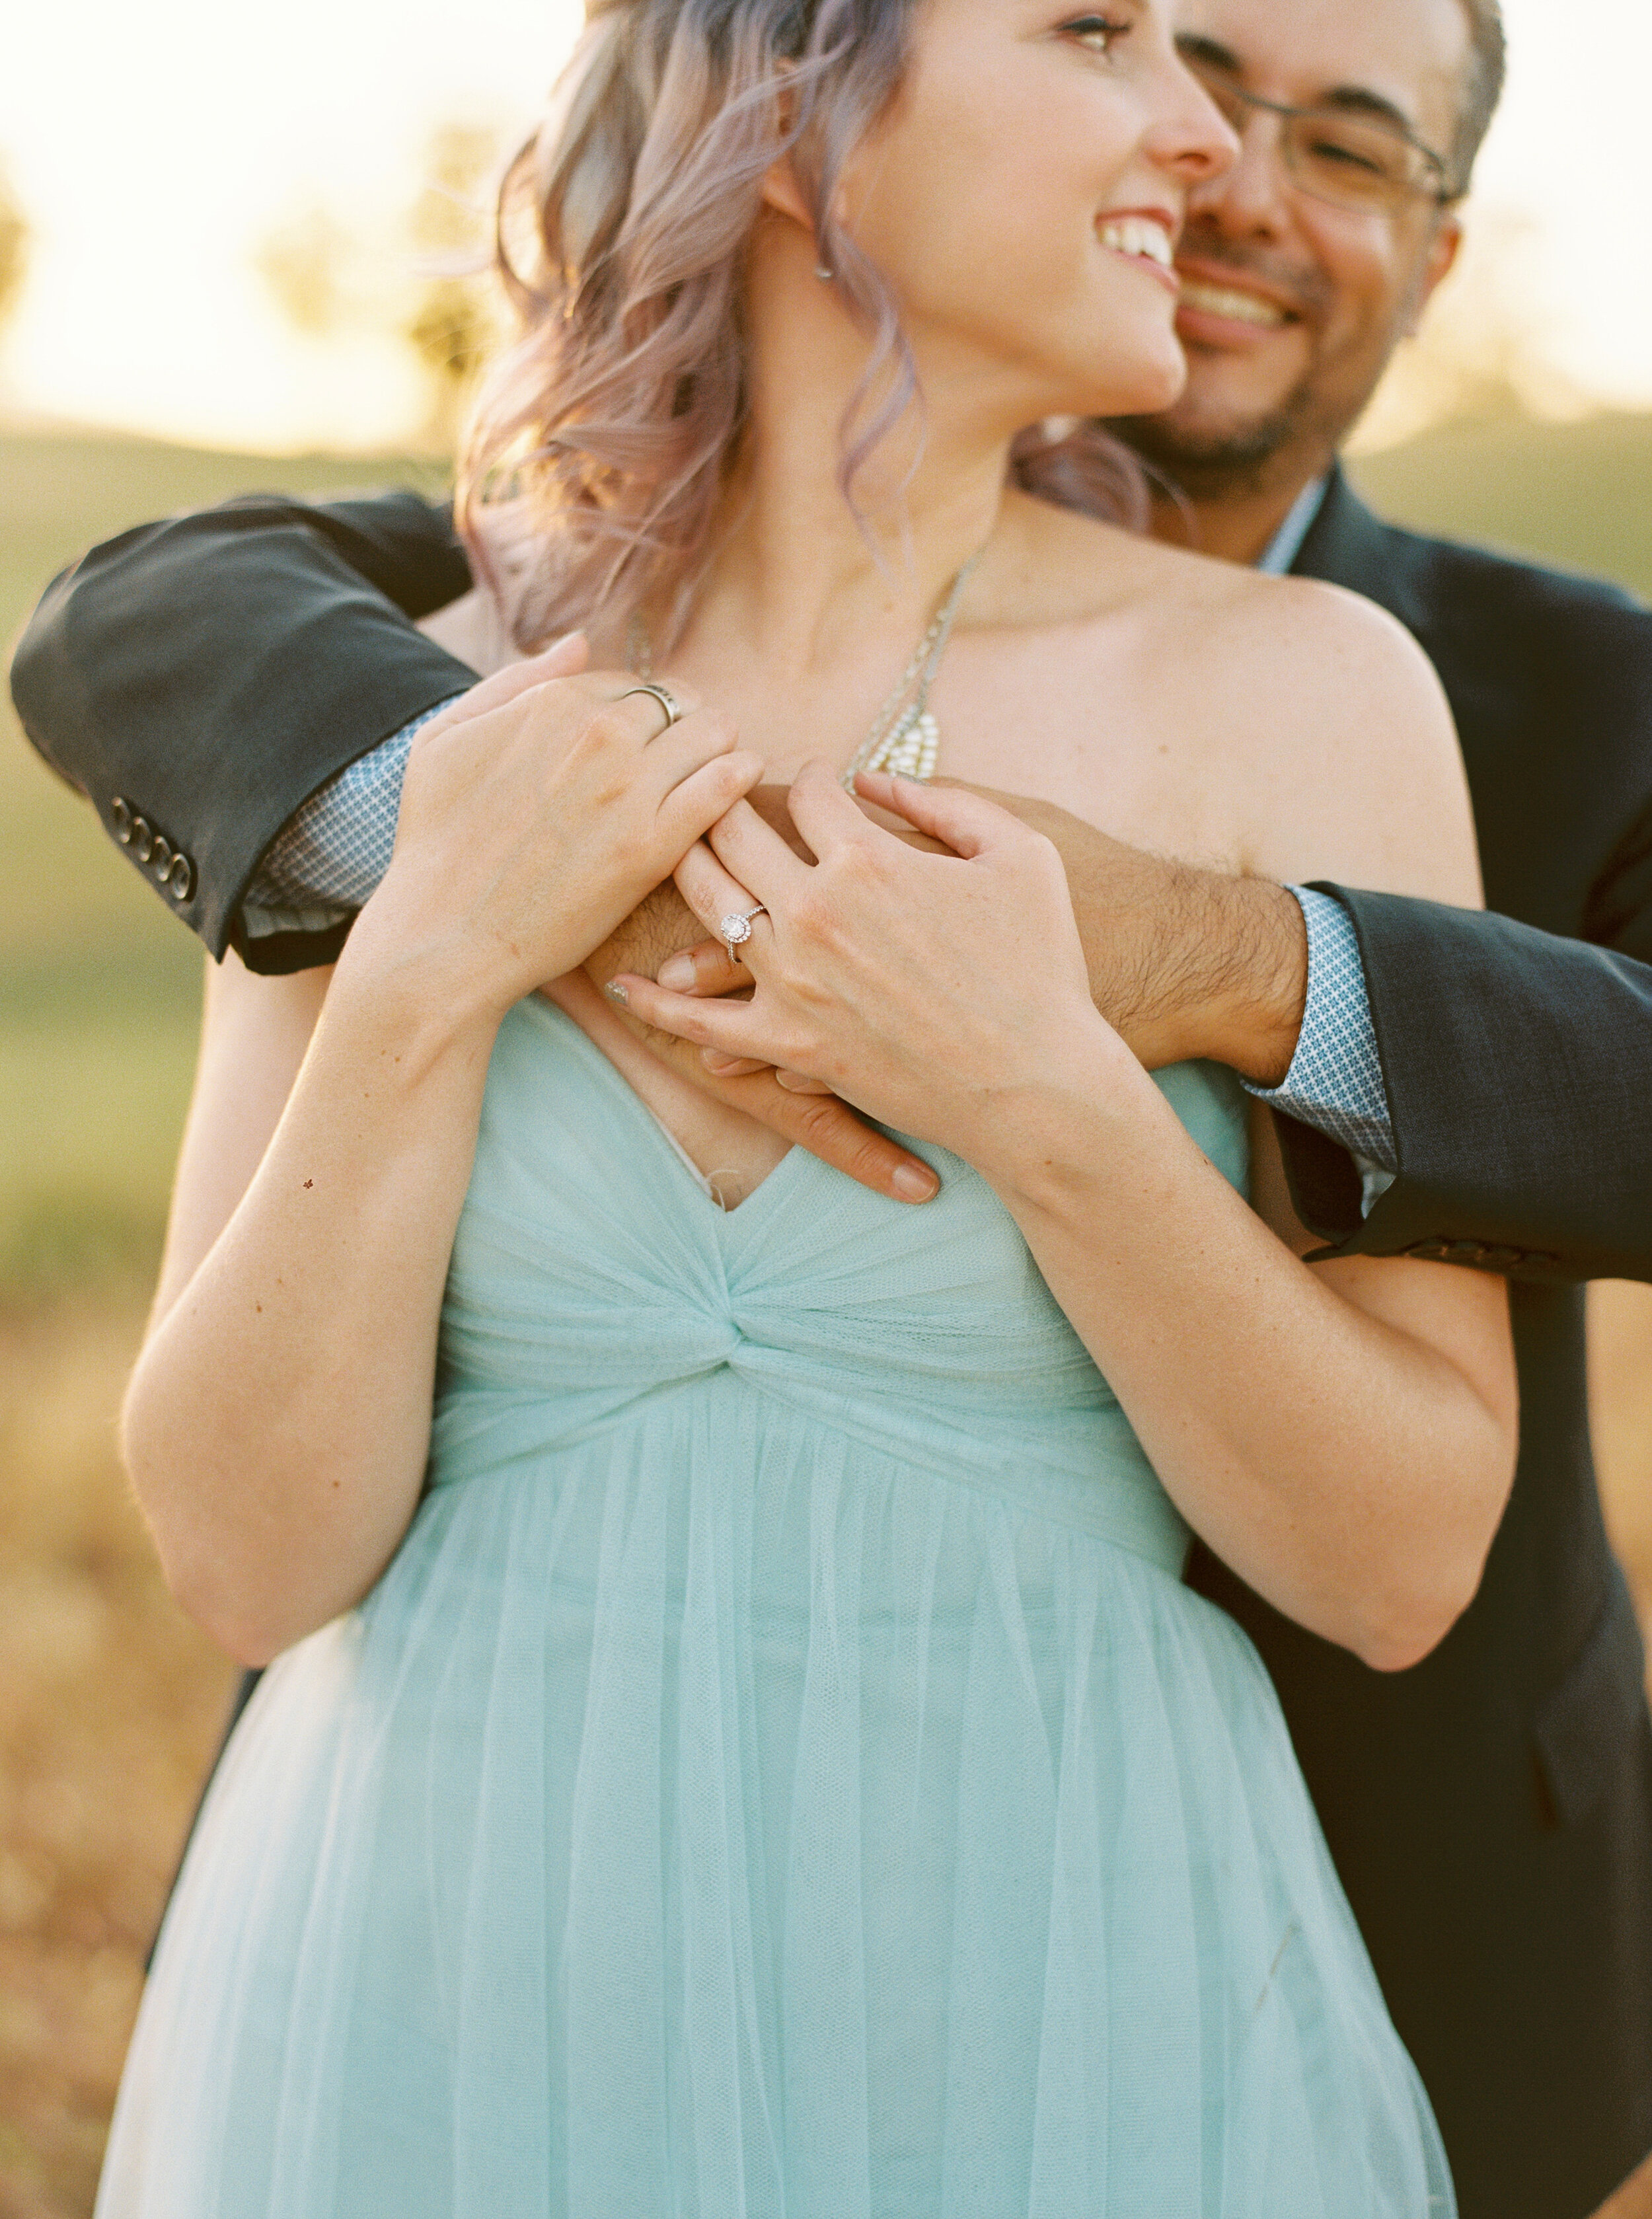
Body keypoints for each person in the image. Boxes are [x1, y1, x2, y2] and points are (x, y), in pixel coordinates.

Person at [11, 2, 1651, 2216]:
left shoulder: (1316, 694)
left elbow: (1390, 1567)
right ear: (788, 122)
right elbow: (239, 1554)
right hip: (430, 1990)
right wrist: (426, 960)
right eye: (1099, 33)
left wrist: (1043, 1090)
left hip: (1070, 1998)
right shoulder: (411, 706)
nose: (1201, 141)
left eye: (1321, 131)